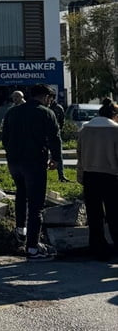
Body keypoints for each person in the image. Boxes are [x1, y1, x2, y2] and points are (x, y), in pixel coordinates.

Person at [1, 83, 64, 261]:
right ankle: (33, 248)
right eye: (49, 98)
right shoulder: (46, 113)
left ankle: (21, 230)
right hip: (34, 163)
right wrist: (56, 159)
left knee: (21, 194)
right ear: (45, 97)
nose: (50, 101)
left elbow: (4, 137)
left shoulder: (13, 112)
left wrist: (11, 153)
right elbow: (55, 138)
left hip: (14, 162)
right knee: (36, 205)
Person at [76, 98, 118, 262]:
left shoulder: (85, 130)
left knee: (94, 215)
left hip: (89, 176)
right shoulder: (115, 131)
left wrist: (80, 176)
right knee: (114, 214)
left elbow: (79, 155)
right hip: (111, 176)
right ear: (114, 114)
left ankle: (97, 247)